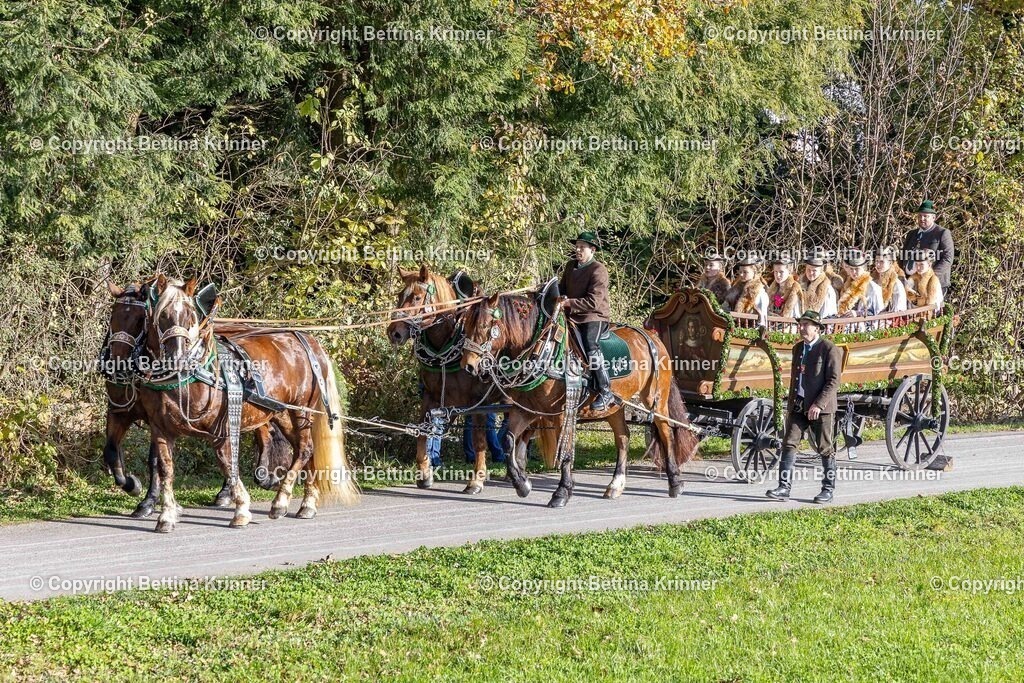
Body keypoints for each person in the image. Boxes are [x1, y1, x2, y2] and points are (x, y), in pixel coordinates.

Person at [767, 310, 843, 504]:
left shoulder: (829, 348)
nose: (801, 328)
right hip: (799, 404)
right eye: (800, 324)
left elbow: (834, 381)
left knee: (825, 447)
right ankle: (784, 488)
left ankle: (828, 490)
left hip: (821, 408)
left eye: (805, 324)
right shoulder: (798, 348)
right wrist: (791, 402)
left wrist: (819, 404)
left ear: (817, 328)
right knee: (789, 443)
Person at [560, 230, 615, 411]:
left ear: (592, 250)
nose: (578, 250)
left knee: (591, 344)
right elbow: (561, 289)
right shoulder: (570, 266)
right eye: (577, 247)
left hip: (594, 316)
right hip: (571, 315)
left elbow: (594, 302)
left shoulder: (599, 270)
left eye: (582, 247)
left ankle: (605, 391)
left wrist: (569, 303)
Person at [901, 199, 954, 291]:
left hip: (934, 283)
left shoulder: (942, 233)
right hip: (911, 283)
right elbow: (903, 256)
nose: (922, 219)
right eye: (920, 216)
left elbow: (947, 258)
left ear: (933, 217)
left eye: (925, 216)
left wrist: (929, 276)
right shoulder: (911, 234)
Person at [837, 248, 884, 320]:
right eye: (851, 269)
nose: (854, 272)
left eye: (857, 269)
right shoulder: (848, 284)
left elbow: (878, 313)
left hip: (866, 324)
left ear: (863, 268)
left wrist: (858, 313)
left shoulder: (873, 288)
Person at [726, 253, 769, 326]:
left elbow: (762, 319)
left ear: (754, 272)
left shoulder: (760, 293)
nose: (741, 274)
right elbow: (725, 307)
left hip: (751, 329)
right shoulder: (734, 290)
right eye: (740, 272)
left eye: (745, 272)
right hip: (733, 325)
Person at [799, 247, 838, 318]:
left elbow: (828, 315)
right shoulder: (801, 285)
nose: (811, 273)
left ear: (820, 271)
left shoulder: (827, 289)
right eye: (808, 269)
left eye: (814, 270)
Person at [872, 246, 907, 314]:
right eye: (877, 261)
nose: (878, 264)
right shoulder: (872, 279)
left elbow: (898, 309)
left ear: (890, 263)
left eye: (882, 262)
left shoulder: (895, 283)